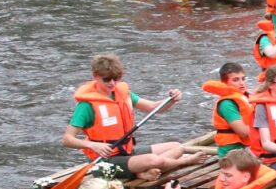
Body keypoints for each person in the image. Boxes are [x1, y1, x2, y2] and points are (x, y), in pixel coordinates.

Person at [61, 55, 189, 180]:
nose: (112, 83)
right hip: (104, 162)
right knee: (155, 160)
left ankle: (141, 171)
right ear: (95, 76)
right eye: (107, 79)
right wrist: (92, 145)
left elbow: (154, 107)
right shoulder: (86, 106)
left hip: (126, 152)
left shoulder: (122, 94)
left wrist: (171, 100)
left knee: (177, 147)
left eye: (116, 79)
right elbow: (67, 139)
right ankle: (185, 161)